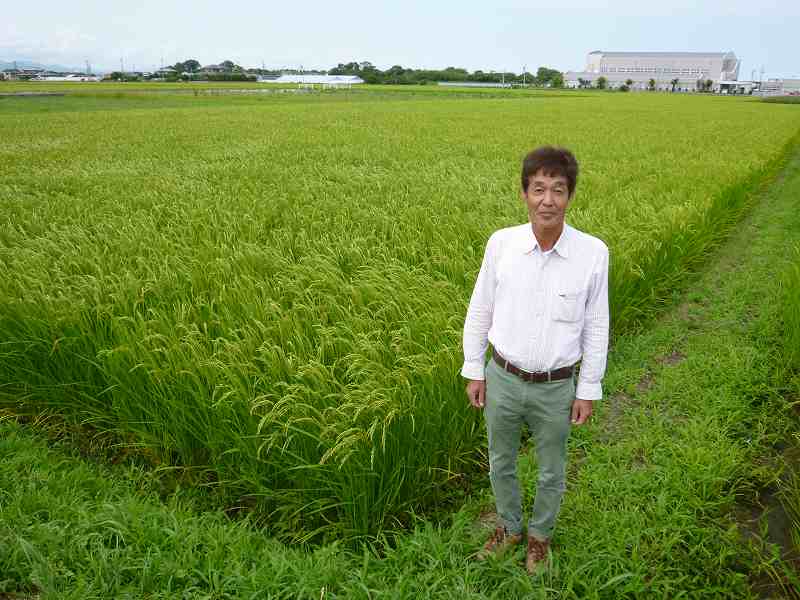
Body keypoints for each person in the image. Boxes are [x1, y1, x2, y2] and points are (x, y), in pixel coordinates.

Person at [462, 145, 609, 574]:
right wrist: (474, 368)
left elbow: (597, 326)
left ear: (570, 197)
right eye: (538, 188)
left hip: (556, 386)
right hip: (503, 377)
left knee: (551, 470)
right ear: (525, 193)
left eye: (558, 190)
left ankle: (539, 537)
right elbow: (480, 309)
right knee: (500, 461)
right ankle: (509, 528)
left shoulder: (592, 253)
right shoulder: (502, 244)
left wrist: (588, 389)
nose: (548, 199)